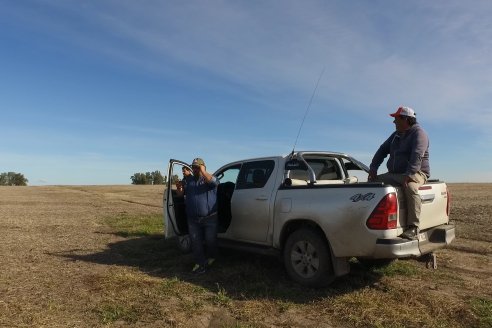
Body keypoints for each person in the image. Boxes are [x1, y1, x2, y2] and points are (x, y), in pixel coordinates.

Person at [368, 106, 430, 240]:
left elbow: (417, 155)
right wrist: (373, 168)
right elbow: (382, 150)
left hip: (417, 172)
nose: (394, 122)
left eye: (396, 119)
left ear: (406, 119)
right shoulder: (396, 135)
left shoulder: (419, 133)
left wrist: (409, 174)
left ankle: (413, 227)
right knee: (372, 184)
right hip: (396, 174)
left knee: (411, 187)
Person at [176, 158, 219, 274]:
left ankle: (212, 257)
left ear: (203, 167)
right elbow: (180, 195)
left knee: (210, 241)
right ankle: (200, 263)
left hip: (210, 218)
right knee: (196, 242)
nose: (194, 169)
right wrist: (179, 188)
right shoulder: (188, 180)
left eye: (197, 167)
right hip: (193, 219)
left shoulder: (208, 179)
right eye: (193, 167)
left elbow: (215, 182)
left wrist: (203, 172)